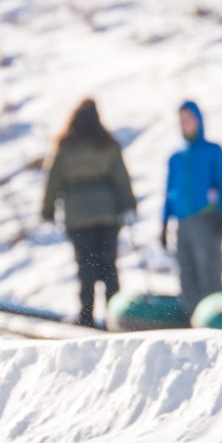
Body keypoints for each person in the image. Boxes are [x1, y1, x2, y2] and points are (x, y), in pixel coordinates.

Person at [40, 99, 137, 327]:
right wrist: (128, 206)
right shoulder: (107, 144)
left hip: (78, 216)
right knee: (109, 266)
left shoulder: (65, 146)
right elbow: (121, 178)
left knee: (86, 266)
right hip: (107, 213)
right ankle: (114, 318)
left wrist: (47, 211)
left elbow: (53, 180)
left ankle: (86, 316)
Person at [160, 100, 222, 317]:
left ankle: (215, 317)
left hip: (206, 219)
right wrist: (164, 223)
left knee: (208, 270)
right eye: (182, 120)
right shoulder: (176, 157)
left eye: (189, 119)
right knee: (186, 272)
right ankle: (191, 317)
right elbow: (169, 191)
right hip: (182, 223)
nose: (185, 124)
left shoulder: (212, 151)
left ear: (199, 121)